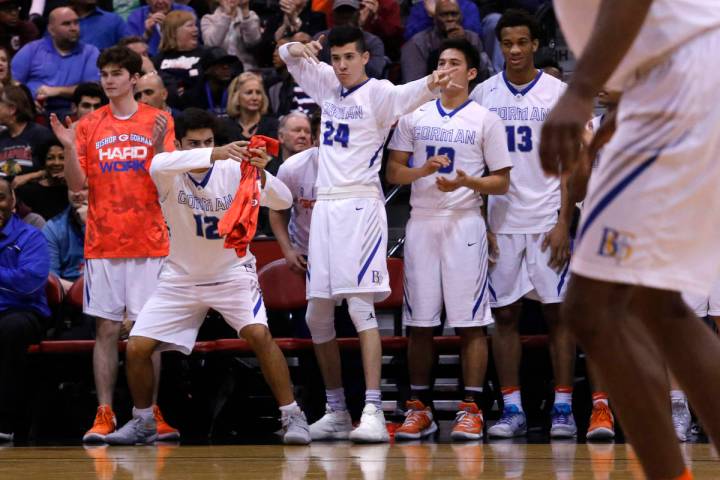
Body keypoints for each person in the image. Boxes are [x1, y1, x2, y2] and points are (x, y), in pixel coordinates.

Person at [540, 1, 720, 478]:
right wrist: (623, 106)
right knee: (654, 302)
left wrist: (579, 91)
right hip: (674, 76)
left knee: (592, 306)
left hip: (680, 77)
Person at [279, 25, 454, 442]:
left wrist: (433, 81)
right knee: (316, 314)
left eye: (347, 58)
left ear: (364, 58)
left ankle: (373, 408)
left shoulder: (379, 92)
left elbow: (413, 93)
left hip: (360, 206)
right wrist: (297, 46)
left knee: (360, 309)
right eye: (335, 58)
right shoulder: (325, 84)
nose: (340, 66)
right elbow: (288, 57)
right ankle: (337, 410)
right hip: (325, 206)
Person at [103, 107, 311, 445]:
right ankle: (142, 421)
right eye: (194, 142)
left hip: (231, 273)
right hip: (181, 278)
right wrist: (215, 151)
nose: (205, 147)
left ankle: (293, 416)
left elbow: (284, 199)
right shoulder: (168, 171)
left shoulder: (233, 167)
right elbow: (156, 163)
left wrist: (260, 175)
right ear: (179, 145)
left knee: (259, 334)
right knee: (138, 347)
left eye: (209, 140)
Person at [49, 45, 179, 443]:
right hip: (103, 240)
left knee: (147, 333)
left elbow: (168, 182)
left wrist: (157, 150)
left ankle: (150, 412)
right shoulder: (88, 125)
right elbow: (76, 185)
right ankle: (104, 412)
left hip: (150, 239)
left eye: (116, 73)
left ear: (134, 79)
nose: (108, 79)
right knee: (106, 329)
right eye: (104, 73)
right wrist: (70, 147)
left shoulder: (159, 121)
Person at [387, 38, 512, 442]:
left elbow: (502, 181)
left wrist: (466, 181)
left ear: (472, 73)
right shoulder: (414, 115)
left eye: (454, 63)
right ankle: (419, 409)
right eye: (440, 62)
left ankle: (471, 408)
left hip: (464, 223)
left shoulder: (485, 119)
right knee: (419, 322)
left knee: (470, 321)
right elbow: (393, 174)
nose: (445, 68)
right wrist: (422, 170)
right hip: (422, 221)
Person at [469, 9, 575, 439]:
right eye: (507, 43)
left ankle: (563, 407)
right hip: (502, 221)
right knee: (506, 314)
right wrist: (484, 223)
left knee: (559, 314)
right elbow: (474, 165)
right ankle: (512, 408)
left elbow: (571, 165)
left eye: (521, 43)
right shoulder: (482, 95)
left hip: (547, 218)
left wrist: (565, 221)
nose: (513, 50)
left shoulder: (558, 93)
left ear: (535, 45)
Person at [0, 176, 49, 443]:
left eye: (1, 197)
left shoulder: (30, 236)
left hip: (23, 312)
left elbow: (29, 282)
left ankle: (5, 422)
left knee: (11, 328)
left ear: (12, 201)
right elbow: (16, 277)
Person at [11, 7, 100, 118]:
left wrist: (57, 91)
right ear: (51, 30)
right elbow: (12, 81)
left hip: (71, 112)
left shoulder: (90, 52)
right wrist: (26, 101)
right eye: (66, 24)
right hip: (32, 111)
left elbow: (91, 90)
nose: (74, 28)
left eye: (76, 23)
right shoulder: (32, 49)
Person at [401, 0, 490, 84]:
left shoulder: (472, 38)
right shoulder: (417, 43)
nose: (450, 19)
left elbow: (483, 75)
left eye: (454, 14)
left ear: (461, 17)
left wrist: (464, 45)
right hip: (432, 96)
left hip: (470, 93)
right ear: (435, 19)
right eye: (444, 15)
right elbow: (414, 83)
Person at [313, 0, 386, 80]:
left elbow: (375, 73)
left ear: (358, 15)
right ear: (333, 16)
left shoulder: (372, 42)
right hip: (327, 87)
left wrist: (357, 47)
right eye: (341, 12)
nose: (345, 16)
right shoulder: (321, 39)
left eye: (349, 12)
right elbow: (312, 73)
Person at [152, 10, 206, 106]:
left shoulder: (205, 54)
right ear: (173, 32)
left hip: (197, 110)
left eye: (195, 25)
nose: (196, 29)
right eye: (190, 25)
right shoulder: (158, 59)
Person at [0, 85, 54, 177]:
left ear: (12, 109)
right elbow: (12, 171)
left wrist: (28, 177)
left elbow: (56, 168)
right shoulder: (1, 138)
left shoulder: (40, 135)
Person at [43, 188, 87, 292]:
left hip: (109, 296)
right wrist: (81, 293)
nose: (76, 193)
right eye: (72, 187)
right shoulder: (53, 227)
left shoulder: (115, 222)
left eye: (84, 188)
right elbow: (51, 279)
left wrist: (88, 226)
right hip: (70, 297)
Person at [14, 137, 69, 220]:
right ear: (43, 161)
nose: (57, 163)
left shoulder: (78, 190)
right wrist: (38, 174)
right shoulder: (31, 191)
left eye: (62, 158)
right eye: (50, 158)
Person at [267, 33, 319, 117]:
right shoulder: (279, 86)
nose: (301, 48)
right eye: (296, 45)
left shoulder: (325, 77)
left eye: (304, 43)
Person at [201, 0, 261, 71]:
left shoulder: (250, 16)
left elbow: (253, 42)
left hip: (246, 70)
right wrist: (226, 15)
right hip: (220, 70)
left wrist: (245, 11)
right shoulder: (208, 19)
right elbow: (212, 45)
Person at [180, 48, 242, 117]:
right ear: (207, 70)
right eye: (219, 63)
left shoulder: (237, 93)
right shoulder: (192, 97)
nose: (226, 67)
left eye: (228, 63)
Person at [126, 0, 195, 56]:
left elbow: (193, 43)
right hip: (148, 62)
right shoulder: (135, 16)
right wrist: (147, 34)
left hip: (182, 57)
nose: (160, 1)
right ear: (147, 1)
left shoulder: (186, 12)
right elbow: (129, 51)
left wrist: (168, 28)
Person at [226, 72, 278, 141]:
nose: (254, 98)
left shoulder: (274, 126)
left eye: (258, 93)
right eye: (249, 93)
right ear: (236, 97)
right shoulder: (225, 127)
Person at [404, 0, 481, 41]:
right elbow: (410, 38)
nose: (450, 18)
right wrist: (434, 16)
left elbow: (475, 35)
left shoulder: (467, 6)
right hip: (429, 52)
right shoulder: (421, 7)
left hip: (463, 50)